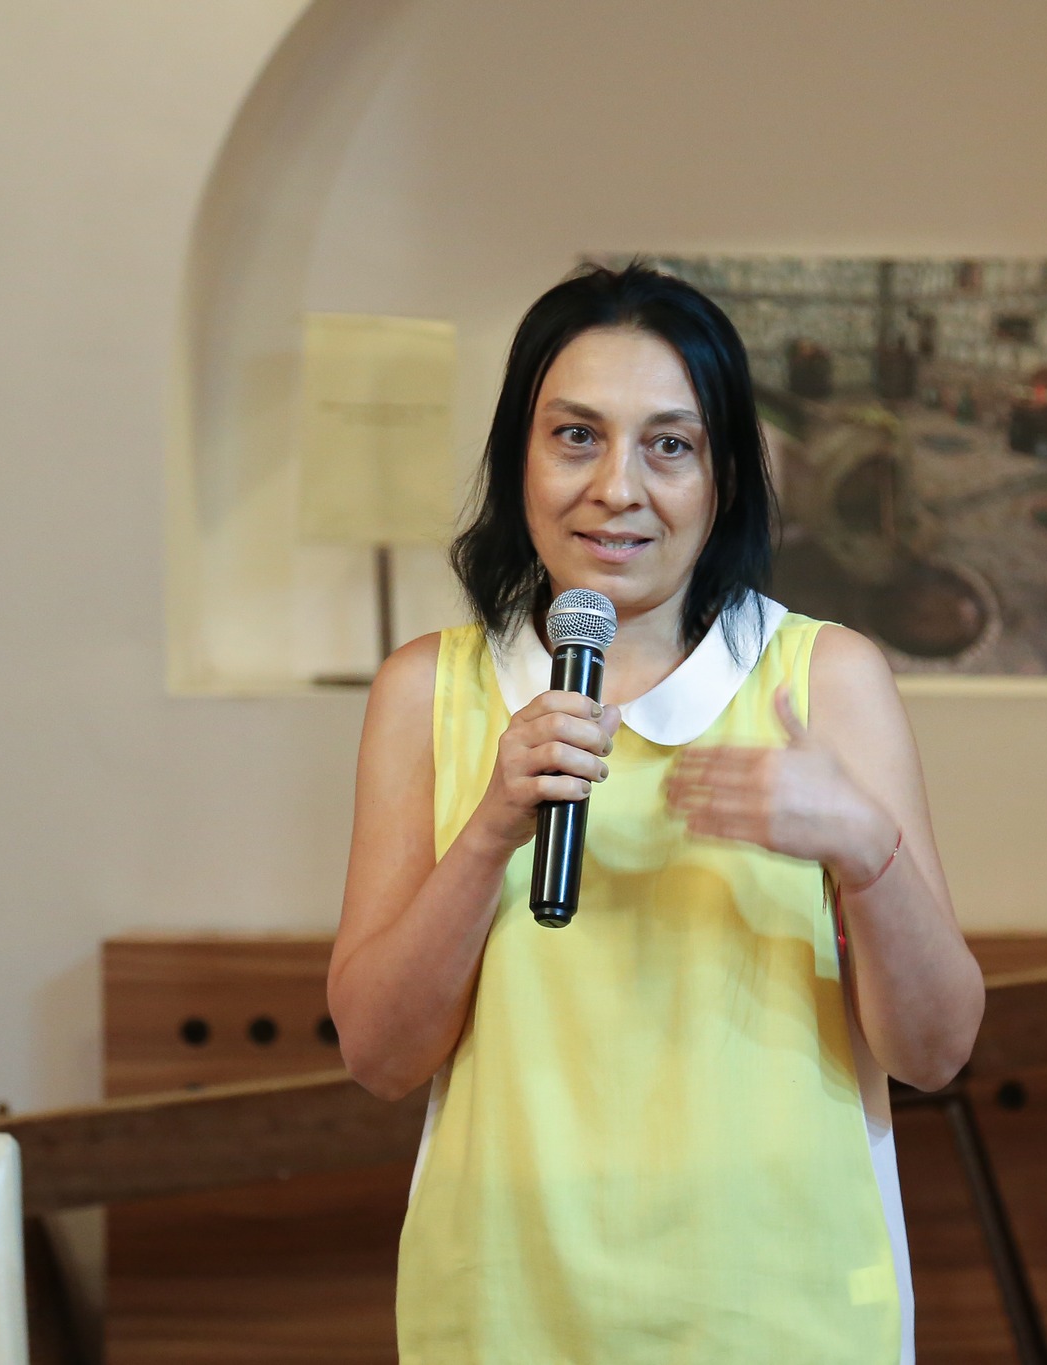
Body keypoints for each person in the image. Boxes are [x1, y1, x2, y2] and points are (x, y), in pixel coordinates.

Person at [329, 264, 984, 1364]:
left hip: (783, 1318)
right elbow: (380, 1057)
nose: (616, 488)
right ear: (518, 456)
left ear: (722, 479)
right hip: (504, 1313)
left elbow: (935, 1051)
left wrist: (865, 851)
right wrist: (489, 828)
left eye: (668, 445)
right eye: (575, 436)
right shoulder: (423, 691)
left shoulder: (824, 681)